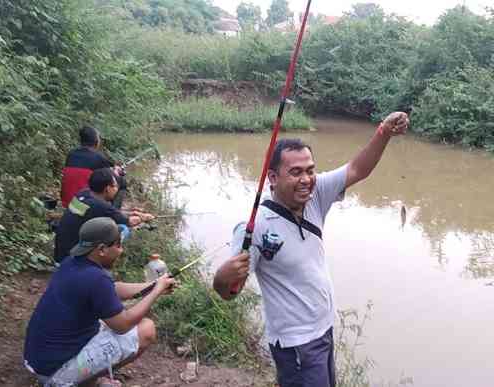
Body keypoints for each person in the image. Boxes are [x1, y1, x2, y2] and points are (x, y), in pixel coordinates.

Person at [213, 112, 409, 387]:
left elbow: (357, 169)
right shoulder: (253, 229)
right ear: (272, 177)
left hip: (323, 332)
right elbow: (229, 292)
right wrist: (221, 278)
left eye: (310, 170)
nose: (306, 179)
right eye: (295, 172)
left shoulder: (315, 196)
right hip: (296, 345)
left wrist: (383, 133)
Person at [24, 217, 176, 387]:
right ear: (102, 249)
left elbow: (113, 288)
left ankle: (86, 375)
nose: (121, 250)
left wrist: (153, 285)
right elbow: (123, 325)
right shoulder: (96, 279)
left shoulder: (73, 262)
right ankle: (83, 381)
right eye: (118, 245)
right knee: (146, 329)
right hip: (54, 373)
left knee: (110, 317)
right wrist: (156, 292)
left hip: (37, 360)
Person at [54, 168, 154, 263]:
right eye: (115, 186)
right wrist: (144, 218)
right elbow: (130, 222)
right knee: (123, 228)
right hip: (73, 258)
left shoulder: (83, 193)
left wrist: (133, 213)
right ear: (107, 189)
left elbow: (111, 212)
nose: (117, 188)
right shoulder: (101, 206)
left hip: (60, 253)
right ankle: (99, 259)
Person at [61, 126, 126, 208]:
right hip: (84, 205)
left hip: (68, 203)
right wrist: (116, 172)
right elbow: (110, 179)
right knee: (122, 182)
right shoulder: (98, 157)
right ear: (96, 140)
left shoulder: (71, 154)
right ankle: (113, 211)